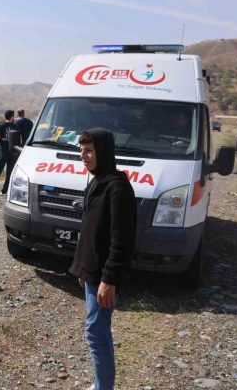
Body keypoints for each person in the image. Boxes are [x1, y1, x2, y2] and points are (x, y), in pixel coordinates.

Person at [69, 128, 136, 390]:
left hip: (103, 278)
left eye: (89, 151)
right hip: (92, 273)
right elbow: (89, 232)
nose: (83, 156)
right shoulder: (97, 181)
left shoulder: (118, 188)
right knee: (96, 332)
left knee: (96, 334)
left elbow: (122, 241)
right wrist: (81, 269)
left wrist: (109, 279)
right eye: (81, 151)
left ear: (103, 152)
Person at [0, 110, 18, 194]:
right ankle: (5, 191)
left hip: (2, 152)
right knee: (9, 172)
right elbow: (18, 140)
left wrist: (2, 140)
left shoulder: (1, 126)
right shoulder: (16, 127)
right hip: (13, 153)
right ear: (12, 117)